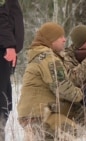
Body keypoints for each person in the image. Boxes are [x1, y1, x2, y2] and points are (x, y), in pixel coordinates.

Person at [17, 22, 86, 140]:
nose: (64, 40)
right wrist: (82, 97)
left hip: (33, 114)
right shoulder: (48, 57)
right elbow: (62, 86)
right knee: (70, 130)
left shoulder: (40, 56)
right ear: (51, 40)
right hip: (38, 115)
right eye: (60, 37)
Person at [0, 0, 24, 139]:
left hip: (5, 49)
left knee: (6, 100)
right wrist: (9, 44)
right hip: (3, 49)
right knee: (2, 101)